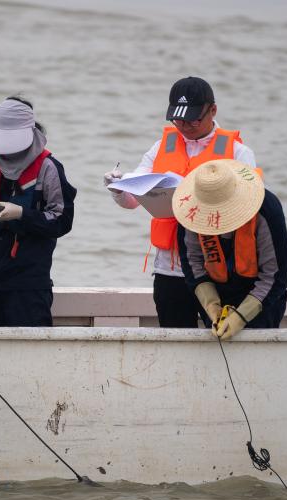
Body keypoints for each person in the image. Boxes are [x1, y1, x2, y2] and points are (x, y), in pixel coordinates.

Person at [104, 76, 257, 328]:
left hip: (217, 268)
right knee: (172, 341)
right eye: (178, 119)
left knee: (222, 339)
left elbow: (250, 208)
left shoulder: (239, 152)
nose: (185, 126)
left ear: (213, 110)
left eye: (193, 118)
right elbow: (133, 200)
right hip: (169, 271)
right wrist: (118, 188)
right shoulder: (159, 147)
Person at [0, 97, 76, 326]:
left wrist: (22, 213)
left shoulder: (48, 168)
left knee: (33, 354)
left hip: (28, 282)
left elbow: (62, 221)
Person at [175, 159, 287, 339]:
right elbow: (193, 264)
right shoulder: (189, 211)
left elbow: (274, 276)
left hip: (263, 297)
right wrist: (211, 306)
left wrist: (241, 317)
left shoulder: (267, 209)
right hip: (216, 295)